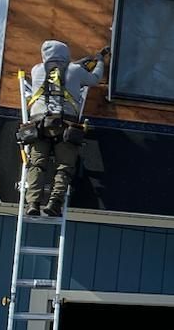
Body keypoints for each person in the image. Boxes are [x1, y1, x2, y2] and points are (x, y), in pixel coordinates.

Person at [18, 39, 108, 217]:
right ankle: (54, 203)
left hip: (38, 126)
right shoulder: (75, 71)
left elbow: (56, 76)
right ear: (66, 54)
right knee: (64, 167)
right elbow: (94, 79)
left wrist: (76, 64)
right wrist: (99, 62)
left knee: (36, 164)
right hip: (65, 126)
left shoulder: (36, 70)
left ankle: (32, 203)